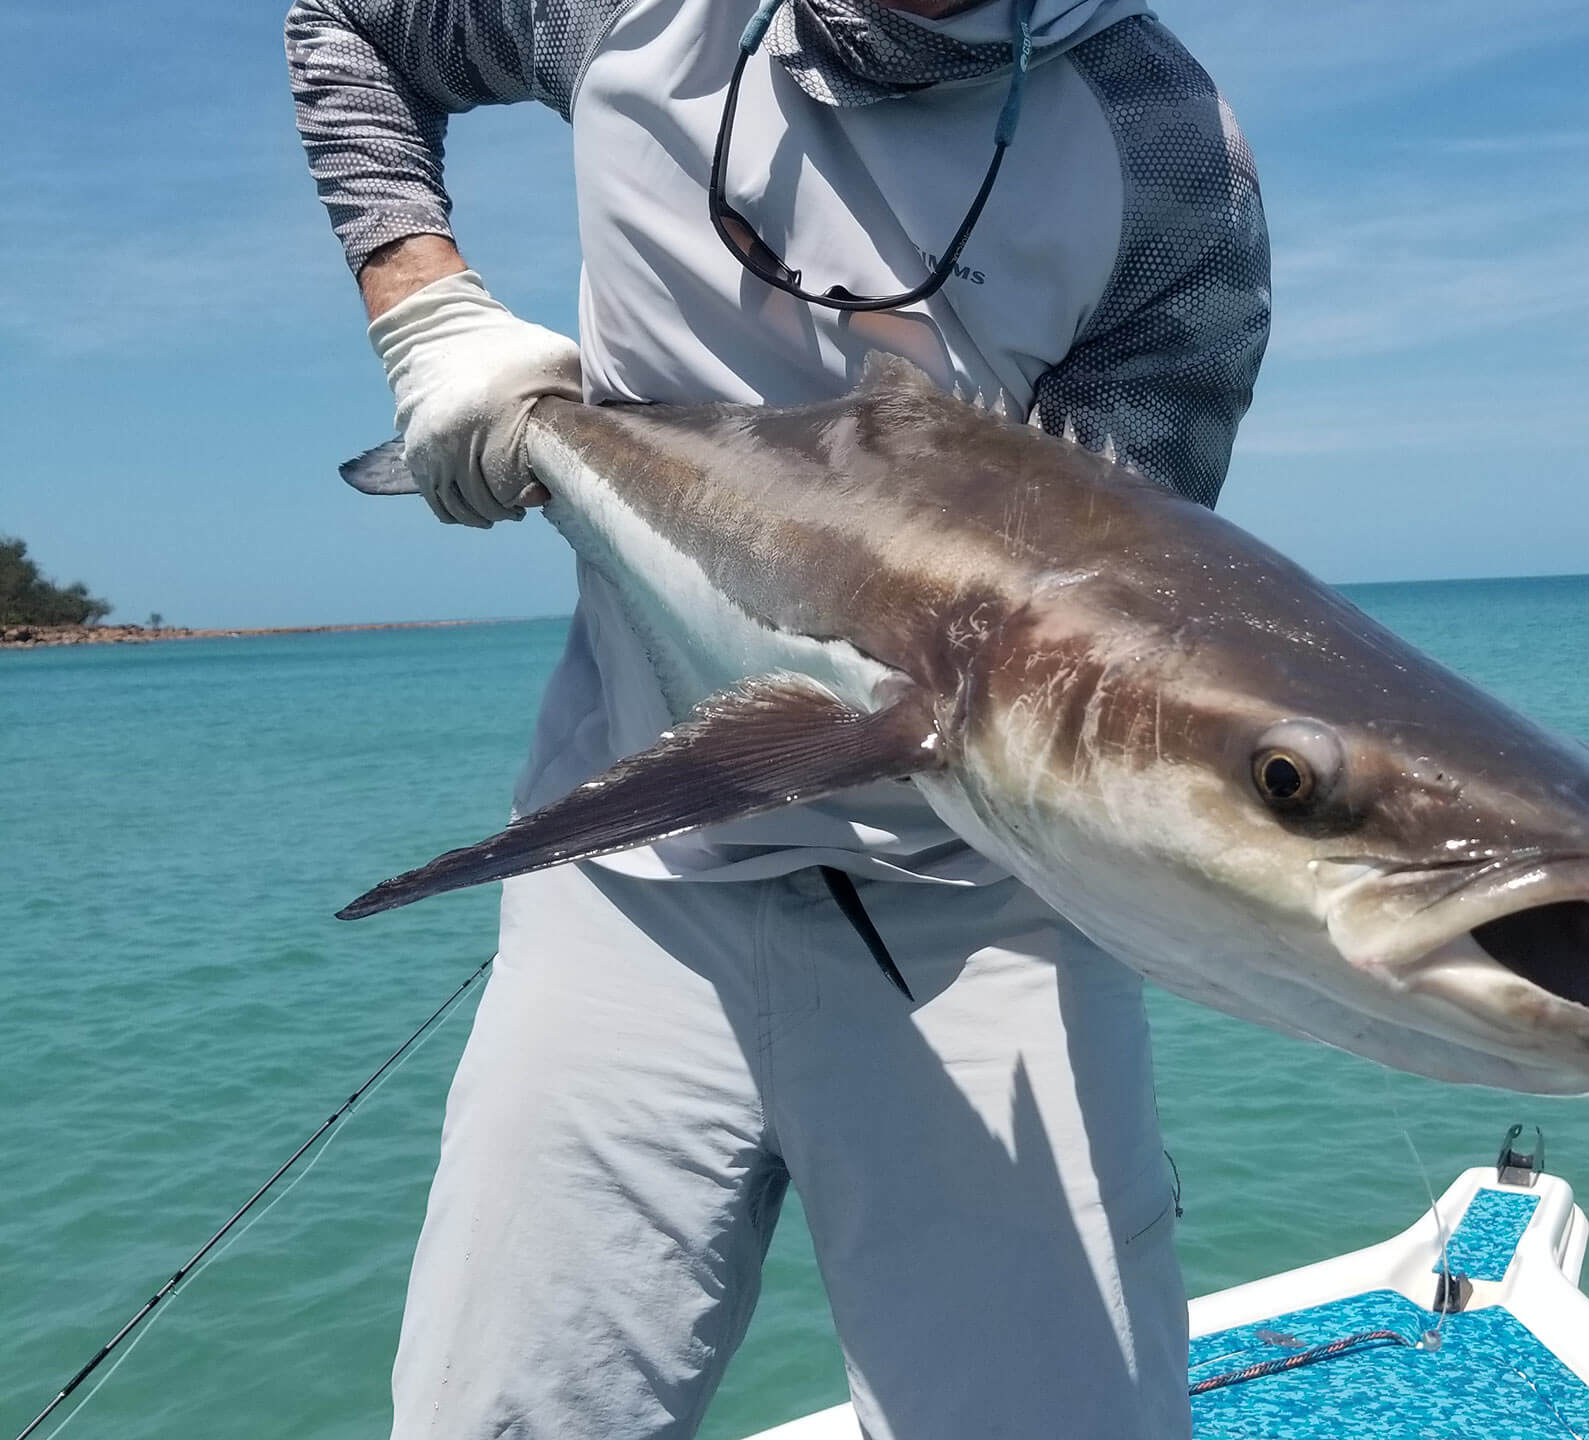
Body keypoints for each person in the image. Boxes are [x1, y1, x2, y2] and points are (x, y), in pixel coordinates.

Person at [285, 0, 1268, 1434]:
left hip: (983, 906)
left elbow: (1105, 604)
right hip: (631, 872)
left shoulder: (1167, 154)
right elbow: (352, 20)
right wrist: (425, 306)